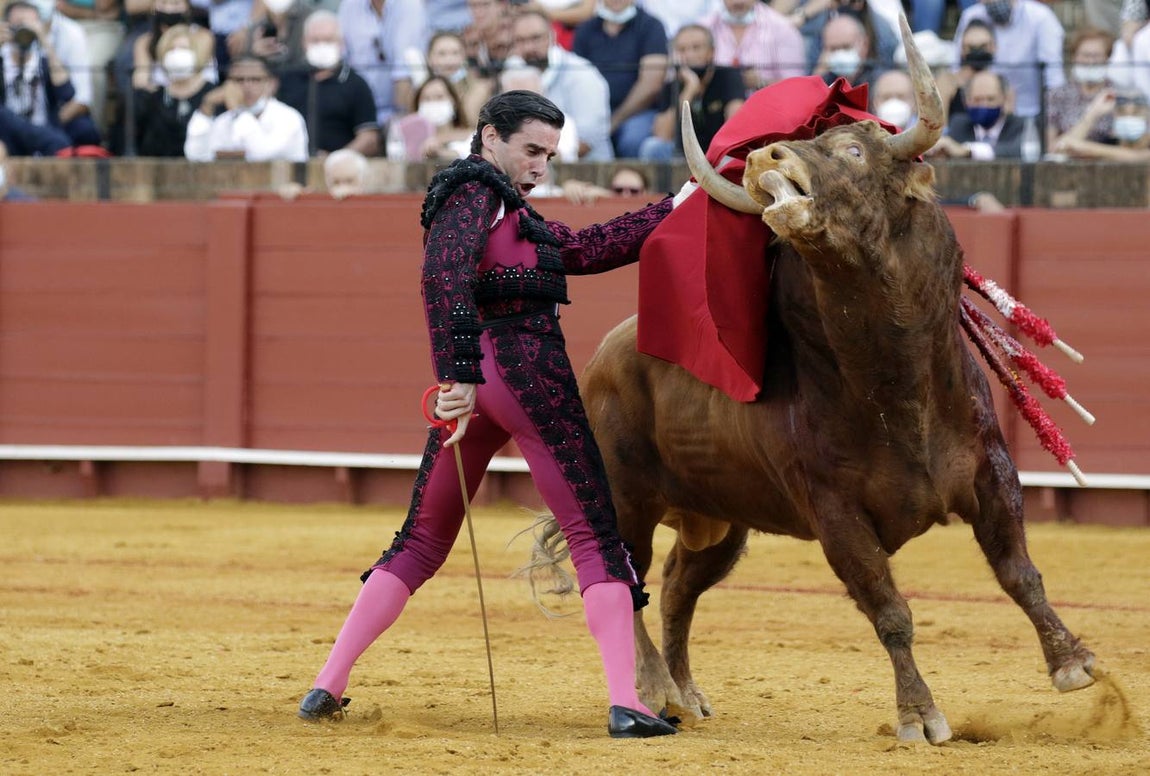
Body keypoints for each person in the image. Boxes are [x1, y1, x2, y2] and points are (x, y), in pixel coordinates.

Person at [296, 89, 680, 740]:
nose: (540, 165)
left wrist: (678, 205)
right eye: (531, 150)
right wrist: (456, 376)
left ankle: (327, 686)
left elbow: (586, 247)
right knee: (594, 538)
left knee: (420, 541)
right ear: (490, 137)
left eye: (550, 155)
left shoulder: (507, 209)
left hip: (484, 382)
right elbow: (442, 279)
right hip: (524, 375)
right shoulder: (474, 192)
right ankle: (627, 703)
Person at [508, 9, 613, 161]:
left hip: (587, 169)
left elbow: (585, 142)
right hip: (529, 170)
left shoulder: (581, 74)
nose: (528, 47)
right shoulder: (513, 70)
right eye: (521, 40)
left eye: (536, 38)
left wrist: (529, 159)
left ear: (552, 36)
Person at [275, 9, 380, 156]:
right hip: (291, 165)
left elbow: (369, 138)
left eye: (328, 40)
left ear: (341, 43)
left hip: (339, 171)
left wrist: (335, 159)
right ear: (304, 42)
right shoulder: (287, 80)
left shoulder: (356, 84)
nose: (322, 46)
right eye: (315, 40)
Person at [572, 0, 668, 159]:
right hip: (593, 114)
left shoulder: (651, 26)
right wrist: (599, 122)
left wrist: (614, 121)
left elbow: (651, 84)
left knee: (632, 141)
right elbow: (575, 78)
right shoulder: (585, 30)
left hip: (638, 113)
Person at [1, 0, 101, 147]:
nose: (23, 31)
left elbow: (67, 94)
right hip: (10, 131)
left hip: (44, 127)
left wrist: (44, 42)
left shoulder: (43, 61)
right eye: (17, 25)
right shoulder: (2, 59)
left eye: (29, 25)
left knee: (84, 129)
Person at [639, 24, 744, 161]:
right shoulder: (672, 85)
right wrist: (690, 88)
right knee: (652, 148)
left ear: (711, 52)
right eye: (682, 50)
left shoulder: (728, 76)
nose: (689, 54)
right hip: (684, 154)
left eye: (696, 48)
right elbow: (662, 134)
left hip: (719, 152)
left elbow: (735, 127)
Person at [951, 0, 1064, 120]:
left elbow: (1054, 78)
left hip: (1031, 113)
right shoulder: (971, 15)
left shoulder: (1041, 16)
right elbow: (956, 66)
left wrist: (1051, 122)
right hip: (981, 113)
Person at [184, 54, 308, 160]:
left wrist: (238, 111)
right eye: (239, 80)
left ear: (271, 84)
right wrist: (206, 108)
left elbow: (260, 155)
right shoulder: (224, 120)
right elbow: (196, 156)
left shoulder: (288, 118)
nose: (246, 86)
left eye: (255, 80)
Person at [338, 0, 427, 128]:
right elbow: (341, 60)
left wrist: (400, 122)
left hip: (398, 109)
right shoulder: (349, 5)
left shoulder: (410, 5)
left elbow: (404, 70)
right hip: (357, 109)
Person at [133, 23, 215, 155]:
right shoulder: (154, 98)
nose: (177, 54)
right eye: (171, 49)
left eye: (184, 48)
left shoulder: (212, 94)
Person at [703, 0, 805, 95]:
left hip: (768, 107)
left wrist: (762, 82)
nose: (739, 2)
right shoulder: (704, 27)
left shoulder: (782, 29)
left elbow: (796, 85)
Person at [1046, 28, 1118, 150]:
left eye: (1097, 56)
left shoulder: (1118, 93)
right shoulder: (1058, 95)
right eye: (1085, 55)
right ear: (1074, 57)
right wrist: (1093, 114)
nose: (1091, 61)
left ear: (1107, 58)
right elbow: (1052, 148)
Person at [928, 69, 1024, 159]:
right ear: (966, 101)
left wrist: (968, 151)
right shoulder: (959, 125)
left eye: (990, 99)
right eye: (977, 100)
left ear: (1003, 98)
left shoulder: (1019, 125)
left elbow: (1016, 150)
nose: (984, 105)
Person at [1054, 90, 1150, 160]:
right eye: (1122, 112)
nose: (1129, 117)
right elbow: (1061, 148)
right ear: (1114, 115)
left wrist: (1085, 148)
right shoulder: (1107, 142)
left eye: (1136, 112)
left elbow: (1136, 157)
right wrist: (1093, 113)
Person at [813, 11, 881, 87]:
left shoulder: (878, 81)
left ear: (864, 45)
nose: (839, 54)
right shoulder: (826, 81)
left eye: (846, 47)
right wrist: (818, 76)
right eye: (833, 49)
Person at [461, 0, 514, 77]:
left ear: (501, 6)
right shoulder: (467, 37)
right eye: (473, 6)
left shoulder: (516, 33)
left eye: (485, 5)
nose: (478, 12)